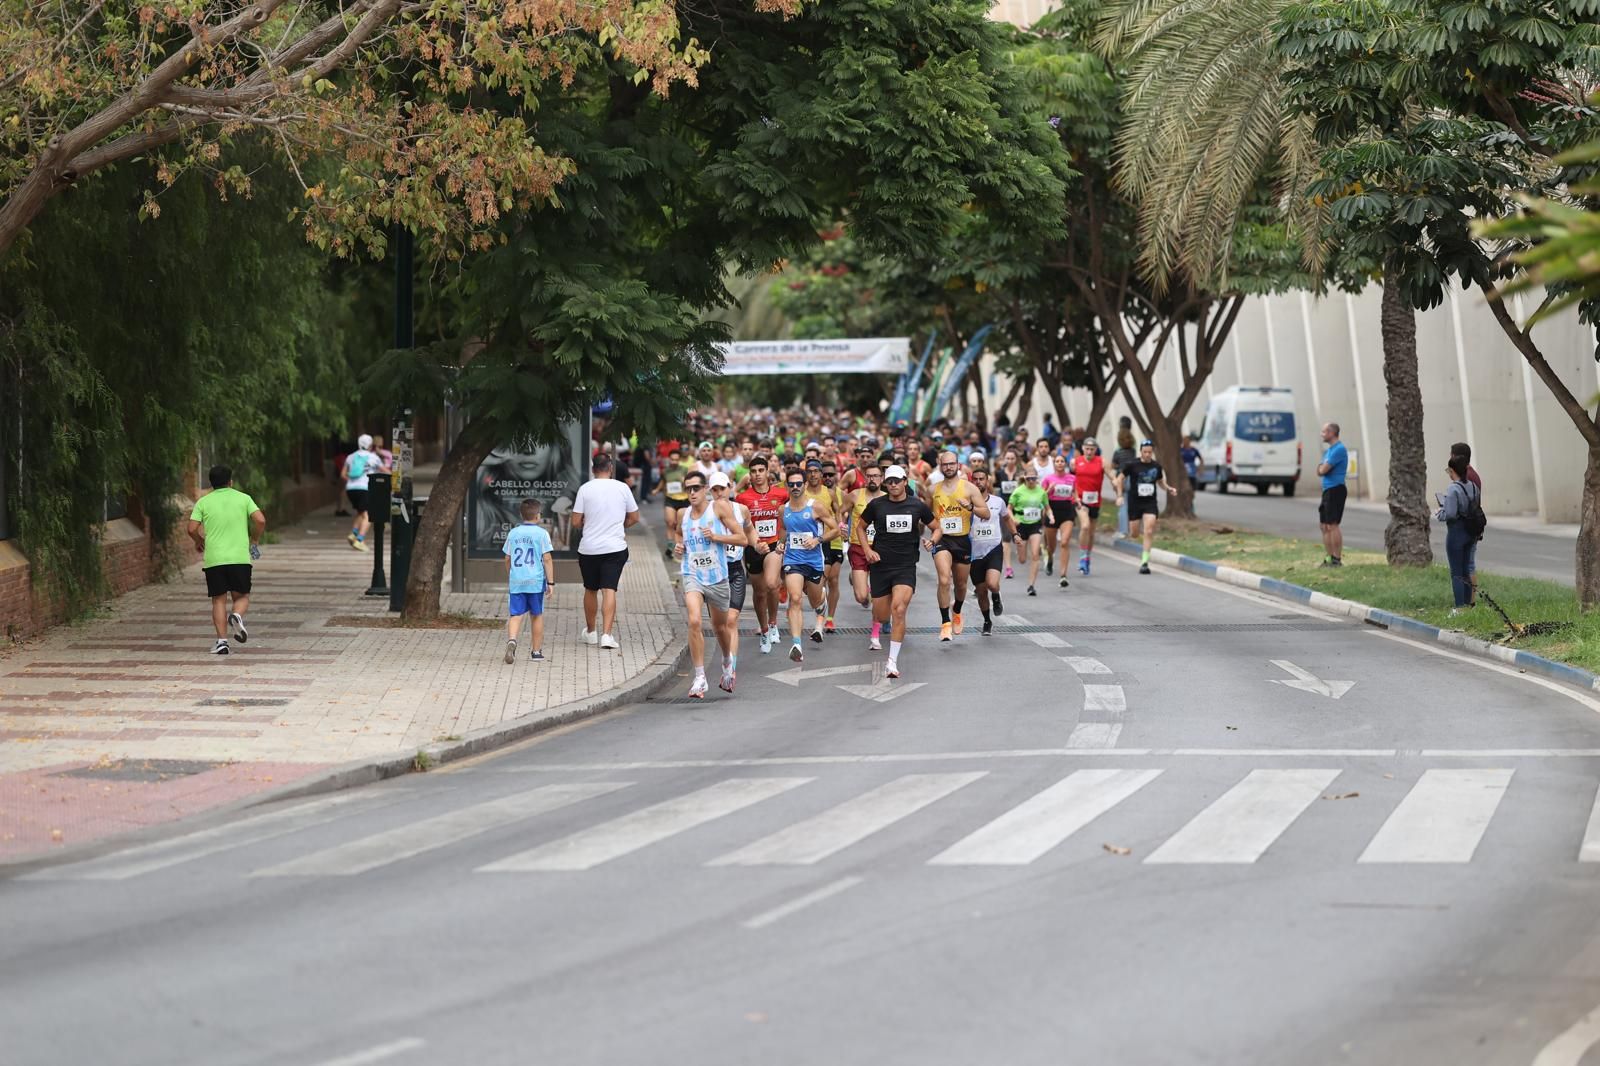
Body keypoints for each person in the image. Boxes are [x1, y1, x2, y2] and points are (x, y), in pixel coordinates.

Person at [676, 471, 747, 697]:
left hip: (717, 577)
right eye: (688, 489)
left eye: (696, 488)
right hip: (692, 574)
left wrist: (716, 537)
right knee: (695, 620)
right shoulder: (683, 514)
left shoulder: (718, 508)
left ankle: (727, 660)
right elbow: (680, 537)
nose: (692, 493)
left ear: (705, 488)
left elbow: (742, 538)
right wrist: (680, 548)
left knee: (720, 627)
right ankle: (699, 678)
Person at [860, 465, 935, 678]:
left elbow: (936, 526)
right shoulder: (876, 505)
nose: (893, 485)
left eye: (897, 481)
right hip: (881, 566)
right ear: (886, 483)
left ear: (905, 482)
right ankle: (886, 619)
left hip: (905, 566)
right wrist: (867, 550)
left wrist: (932, 541)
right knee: (883, 616)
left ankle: (892, 662)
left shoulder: (917, 506)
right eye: (889, 481)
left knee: (899, 609)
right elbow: (860, 527)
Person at [187, 465, 266, 655]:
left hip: (215, 559)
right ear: (230, 481)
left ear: (211, 483)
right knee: (242, 597)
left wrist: (199, 541)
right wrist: (254, 539)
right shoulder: (243, 498)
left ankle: (222, 642)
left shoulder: (203, 502)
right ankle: (237, 615)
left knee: (218, 601)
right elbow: (261, 520)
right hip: (240, 558)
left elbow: (191, 528)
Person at [571, 454, 639, 650]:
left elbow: (575, 521)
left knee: (590, 589)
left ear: (593, 469)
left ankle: (591, 632)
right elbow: (634, 517)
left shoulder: (585, 489)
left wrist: (588, 523)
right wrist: (620, 525)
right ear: (610, 468)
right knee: (609, 589)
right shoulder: (622, 488)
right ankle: (607, 636)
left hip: (589, 548)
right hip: (615, 547)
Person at [929, 450, 990, 641]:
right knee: (944, 580)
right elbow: (925, 515)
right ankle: (945, 623)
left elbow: (986, 514)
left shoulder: (969, 488)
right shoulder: (932, 490)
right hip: (942, 539)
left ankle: (957, 610)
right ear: (940, 466)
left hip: (962, 540)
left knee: (961, 584)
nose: (948, 467)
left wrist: (970, 507)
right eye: (945, 464)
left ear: (958, 465)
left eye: (951, 464)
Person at [779, 467, 838, 662]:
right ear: (787, 486)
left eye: (798, 484)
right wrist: (780, 544)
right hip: (792, 559)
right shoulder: (783, 509)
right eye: (791, 484)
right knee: (795, 598)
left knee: (814, 601)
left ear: (805, 485)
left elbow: (836, 530)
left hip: (813, 560)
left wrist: (817, 540)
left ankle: (822, 603)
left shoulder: (816, 507)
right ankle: (796, 643)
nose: (795, 487)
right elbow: (784, 532)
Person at [736, 455, 788, 654]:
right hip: (753, 548)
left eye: (761, 471)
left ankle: (774, 623)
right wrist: (754, 543)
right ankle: (765, 629)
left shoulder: (781, 495)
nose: (757, 475)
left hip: (774, 544)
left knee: (772, 584)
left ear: (767, 472)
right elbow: (740, 526)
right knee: (759, 592)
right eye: (754, 471)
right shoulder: (743, 499)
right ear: (750, 475)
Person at [709, 472, 756, 691]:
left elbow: (749, 532)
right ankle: (727, 659)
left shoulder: (741, 510)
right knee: (719, 625)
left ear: (730, 488)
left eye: (722, 488)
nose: (719, 493)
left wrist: (758, 545)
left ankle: (731, 669)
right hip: (714, 573)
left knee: (731, 621)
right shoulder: (706, 513)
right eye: (714, 489)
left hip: (736, 570)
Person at [502, 499, 554, 663]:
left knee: (515, 615)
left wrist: (511, 574)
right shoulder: (542, 534)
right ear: (538, 516)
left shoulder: (513, 533)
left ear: (521, 515)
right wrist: (551, 583)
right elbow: (547, 559)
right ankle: (536, 652)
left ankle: (512, 640)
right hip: (535, 581)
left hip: (517, 580)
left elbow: (507, 558)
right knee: (536, 615)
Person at [967, 467, 1017, 635]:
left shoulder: (998, 502)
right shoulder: (967, 504)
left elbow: (1007, 518)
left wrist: (1015, 534)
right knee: (981, 592)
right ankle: (987, 621)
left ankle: (996, 595)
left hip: (994, 548)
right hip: (974, 553)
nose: (979, 482)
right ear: (972, 482)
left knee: (992, 583)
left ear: (987, 481)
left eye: (982, 478)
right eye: (976, 479)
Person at [1116, 439, 1177, 574]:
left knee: (1149, 530)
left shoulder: (1156, 466)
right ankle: (1136, 535)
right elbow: (1120, 478)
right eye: (1145, 452)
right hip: (1135, 502)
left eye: (1150, 452)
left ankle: (1144, 562)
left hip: (1150, 502)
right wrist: (1120, 495)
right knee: (1135, 533)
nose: (1148, 455)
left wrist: (1168, 489)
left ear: (1152, 452)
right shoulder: (1132, 465)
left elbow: (1160, 482)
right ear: (1141, 452)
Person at [845, 462, 886, 648]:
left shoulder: (887, 498)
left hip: (880, 549)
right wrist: (841, 525)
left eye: (876, 476)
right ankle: (863, 590)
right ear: (864, 478)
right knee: (861, 597)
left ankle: (874, 636)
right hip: (858, 548)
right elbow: (840, 511)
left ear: (882, 478)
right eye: (869, 476)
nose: (872, 479)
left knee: (879, 596)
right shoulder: (855, 495)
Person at [1436, 455, 1482, 616]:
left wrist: (1439, 512)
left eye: (1449, 470)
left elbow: (1450, 514)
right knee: (1466, 569)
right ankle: (1469, 606)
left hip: (1456, 532)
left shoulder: (1453, 489)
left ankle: (1459, 607)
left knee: (1456, 572)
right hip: (1470, 531)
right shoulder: (1473, 487)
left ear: (1453, 471)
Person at [343, 434, 386, 552]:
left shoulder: (350, 457)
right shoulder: (373, 457)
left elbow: (343, 474)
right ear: (371, 445)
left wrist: (352, 482)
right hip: (364, 488)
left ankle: (353, 534)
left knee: (361, 512)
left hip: (350, 489)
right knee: (369, 515)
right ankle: (360, 540)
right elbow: (385, 471)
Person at [1008, 467, 1048, 595]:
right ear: (1024, 478)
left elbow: (1047, 507)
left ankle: (1031, 585)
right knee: (1022, 559)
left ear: (1037, 479)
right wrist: (1013, 519)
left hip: (1035, 525)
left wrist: (1050, 516)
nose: (1031, 481)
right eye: (1029, 478)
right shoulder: (1018, 491)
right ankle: (1019, 550)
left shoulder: (1041, 492)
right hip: (1021, 525)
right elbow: (1009, 509)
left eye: (1034, 478)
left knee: (1035, 554)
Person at [1451, 441, 1482, 601]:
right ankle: (1470, 601)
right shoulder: (1472, 474)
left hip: (1467, 526)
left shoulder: (1467, 477)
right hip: (1472, 525)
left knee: (1468, 566)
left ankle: (1470, 601)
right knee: (1468, 565)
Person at [1041, 452, 1076, 589]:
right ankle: (1049, 558)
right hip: (1052, 511)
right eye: (1057, 461)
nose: (1060, 463)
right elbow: (1042, 497)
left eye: (1062, 461)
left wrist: (1077, 501)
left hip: (1067, 511)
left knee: (1065, 542)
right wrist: (1050, 489)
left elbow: (1075, 494)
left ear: (1065, 464)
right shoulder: (1048, 478)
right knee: (1051, 546)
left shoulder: (1072, 478)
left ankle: (1063, 575)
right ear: (1054, 464)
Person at [1072, 438, 1107, 575]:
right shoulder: (1075, 462)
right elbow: (1070, 480)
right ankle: (1082, 557)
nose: (1089, 451)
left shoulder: (1101, 462)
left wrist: (1117, 486)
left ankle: (1087, 557)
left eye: (1092, 449)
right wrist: (1074, 496)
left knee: (1091, 533)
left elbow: (1111, 475)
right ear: (1083, 449)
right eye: (1087, 448)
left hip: (1095, 501)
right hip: (1081, 500)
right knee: (1085, 526)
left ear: (1096, 450)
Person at [1317, 422, 1348, 568]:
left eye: (1324, 432)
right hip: (1327, 490)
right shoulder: (1329, 451)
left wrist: (1322, 468)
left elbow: (1323, 470)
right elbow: (1319, 469)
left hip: (1336, 489)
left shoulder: (1339, 450)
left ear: (1331, 433)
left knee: (1332, 525)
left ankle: (1337, 558)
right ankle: (1329, 558)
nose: (1322, 434)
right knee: (1324, 525)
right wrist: (1322, 468)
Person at [660, 446, 691, 557]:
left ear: (679, 460)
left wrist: (685, 481)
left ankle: (682, 545)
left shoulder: (684, 469)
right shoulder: (665, 471)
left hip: (683, 500)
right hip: (670, 499)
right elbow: (663, 482)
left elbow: (690, 483)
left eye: (676, 459)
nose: (674, 462)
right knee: (670, 522)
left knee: (681, 524)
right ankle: (669, 547)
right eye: (672, 459)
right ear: (669, 459)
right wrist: (657, 490)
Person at [1110, 429, 1137, 536]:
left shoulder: (1118, 452)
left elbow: (1113, 465)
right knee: (1131, 505)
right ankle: (1132, 529)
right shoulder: (1133, 451)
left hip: (1121, 479)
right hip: (1132, 478)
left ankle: (1122, 530)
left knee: (1122, 504)